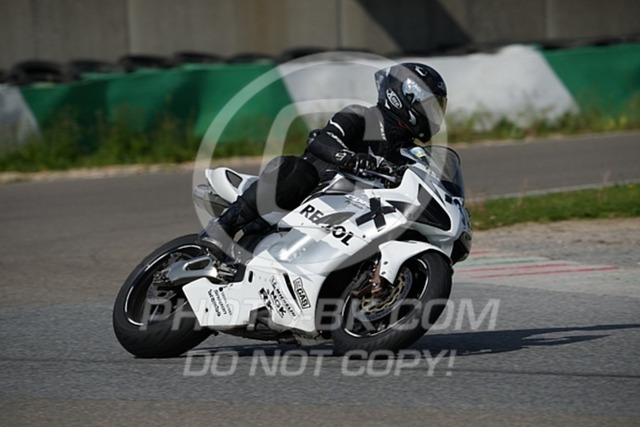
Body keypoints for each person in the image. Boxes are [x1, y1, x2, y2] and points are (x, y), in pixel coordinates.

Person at [198, 62, 448, 259]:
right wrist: (349, 158)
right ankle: (223, 226)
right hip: (307, 195)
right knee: (298, 170)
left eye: (437, 108)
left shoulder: (410, 153)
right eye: (429, 106)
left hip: (352, 215)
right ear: (403, 96)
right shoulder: (361, 116)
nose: (433, 114)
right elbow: (323, 140)